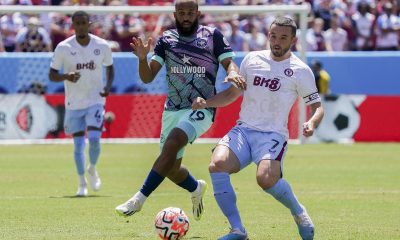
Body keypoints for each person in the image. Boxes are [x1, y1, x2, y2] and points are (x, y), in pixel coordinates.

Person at [192, 16, 324, 240]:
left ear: (292, 40)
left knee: (265, 179)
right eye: (273, 36)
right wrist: (207, 102)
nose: (276, 42)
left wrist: (311, 123)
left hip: (273, 135)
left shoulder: (301, 70)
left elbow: (317, 107)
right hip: (244, 130)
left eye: (283, 37)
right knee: (217, 165)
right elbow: (232, 95)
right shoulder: (252, 60)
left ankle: (299, 212)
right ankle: (237, 230)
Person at [115, 0, 246, 221]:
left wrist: (233, 72)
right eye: (182, 13)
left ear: (198, 13)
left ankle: (139, 199)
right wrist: (142, 59)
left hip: (202, 106)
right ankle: (195, 188)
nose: (186, 17)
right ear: (175, 14)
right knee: (171, 168)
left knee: (174, 141)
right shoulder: (166, 39)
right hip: (172, 109)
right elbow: (147, 77)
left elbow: (229, 63)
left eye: (190, 13)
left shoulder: (212, 35)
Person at [48, 11, 114, 197]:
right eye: (77, 23)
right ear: (73, 25)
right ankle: (81, 182)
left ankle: (92, 168)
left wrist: (107, 86)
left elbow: (110, 67)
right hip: (74, 102)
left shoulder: (101, 46)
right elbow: (52, 75)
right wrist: (66, 76)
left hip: (95, 100)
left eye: (83, 23)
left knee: (94, 139)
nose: (80, 26)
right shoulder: (63, 47)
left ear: (89, 23)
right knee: (77, 146)